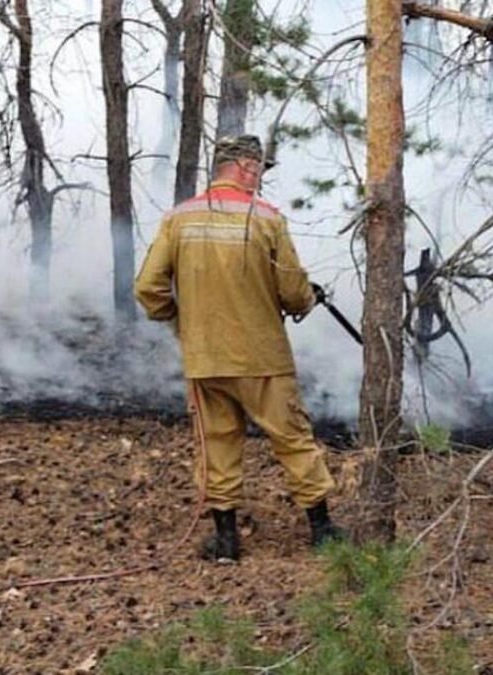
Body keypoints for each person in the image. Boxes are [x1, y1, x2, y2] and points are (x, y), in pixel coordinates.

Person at [134, 135, 343, 561]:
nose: (260, 180)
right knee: (292, 439)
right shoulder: (266, 218)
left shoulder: (179, 218)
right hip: (263, 356)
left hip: (205, 358)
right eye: (260, 171)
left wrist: (181, 322)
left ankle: (226, 541)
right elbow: (292, 291)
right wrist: (307, 298)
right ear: (246, 166)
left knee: (217, 441)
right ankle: (322, 531)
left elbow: (147, 288)